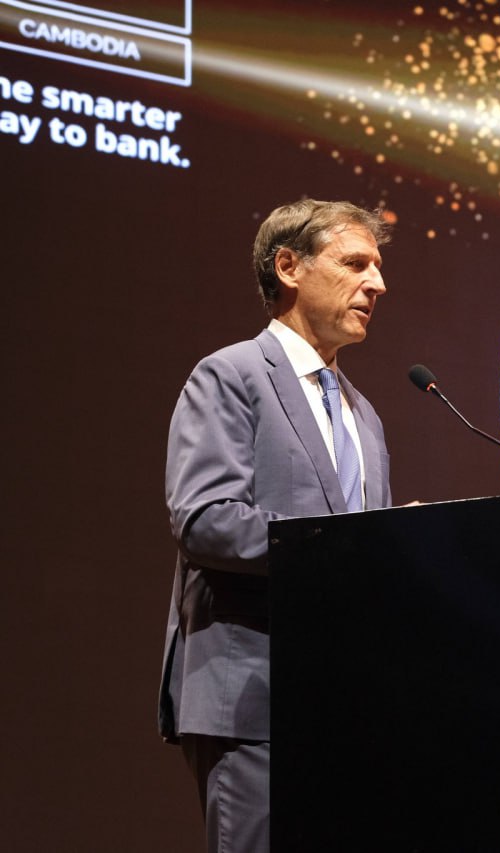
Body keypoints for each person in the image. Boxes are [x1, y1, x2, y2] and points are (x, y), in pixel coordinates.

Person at [158, 199, 395, 852]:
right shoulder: (231, 376)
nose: (377, 284)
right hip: (253, 699)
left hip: (345, 705)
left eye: (376, 267)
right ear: (288, 266)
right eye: (355, 263)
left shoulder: (364, 416)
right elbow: (207, 519)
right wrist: (347, 549)